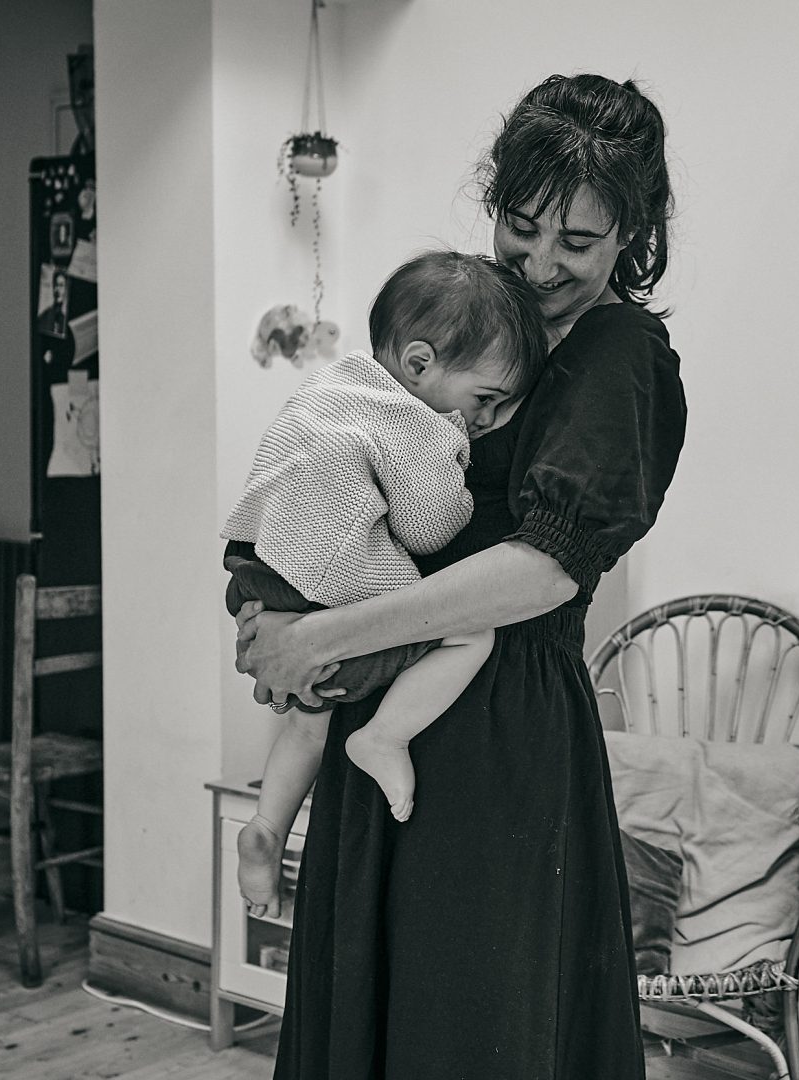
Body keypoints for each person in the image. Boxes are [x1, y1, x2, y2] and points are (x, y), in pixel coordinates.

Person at [235, 73, 685, 1078]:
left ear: (631, 234)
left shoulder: (621, 354)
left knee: (467, 1027)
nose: (542, 263)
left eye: (579, 242)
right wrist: (284, 603)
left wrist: (323, 637)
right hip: (385, 707)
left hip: (499, 732)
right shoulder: (480, 322)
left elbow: (548, 569)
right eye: (522, 227)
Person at [221, 250, 548, 920]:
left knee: (309, 717)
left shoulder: (332, 384)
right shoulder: (416, 423)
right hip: (331, 578)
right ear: (420, 365)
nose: (486, 419)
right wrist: (459, 470)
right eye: (485, 399)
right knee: (470, 633)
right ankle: (385, 737)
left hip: (258, 569)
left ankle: (267, 827)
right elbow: (430, 529)